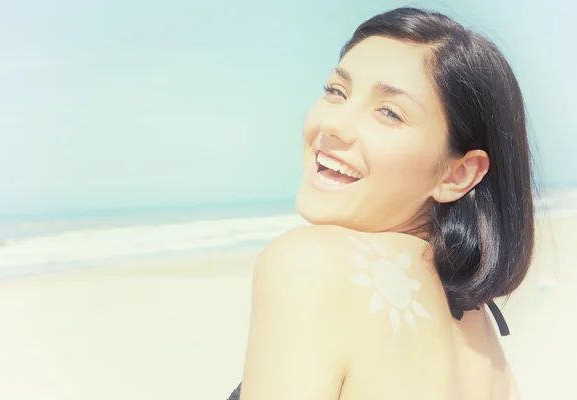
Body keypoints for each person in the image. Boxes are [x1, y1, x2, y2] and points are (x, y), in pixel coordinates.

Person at [228, 6, 532, 400]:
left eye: (389, 113)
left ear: (458, 174)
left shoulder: (313, 263)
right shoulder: (480, 331)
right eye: (337, 92)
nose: (334, 124)